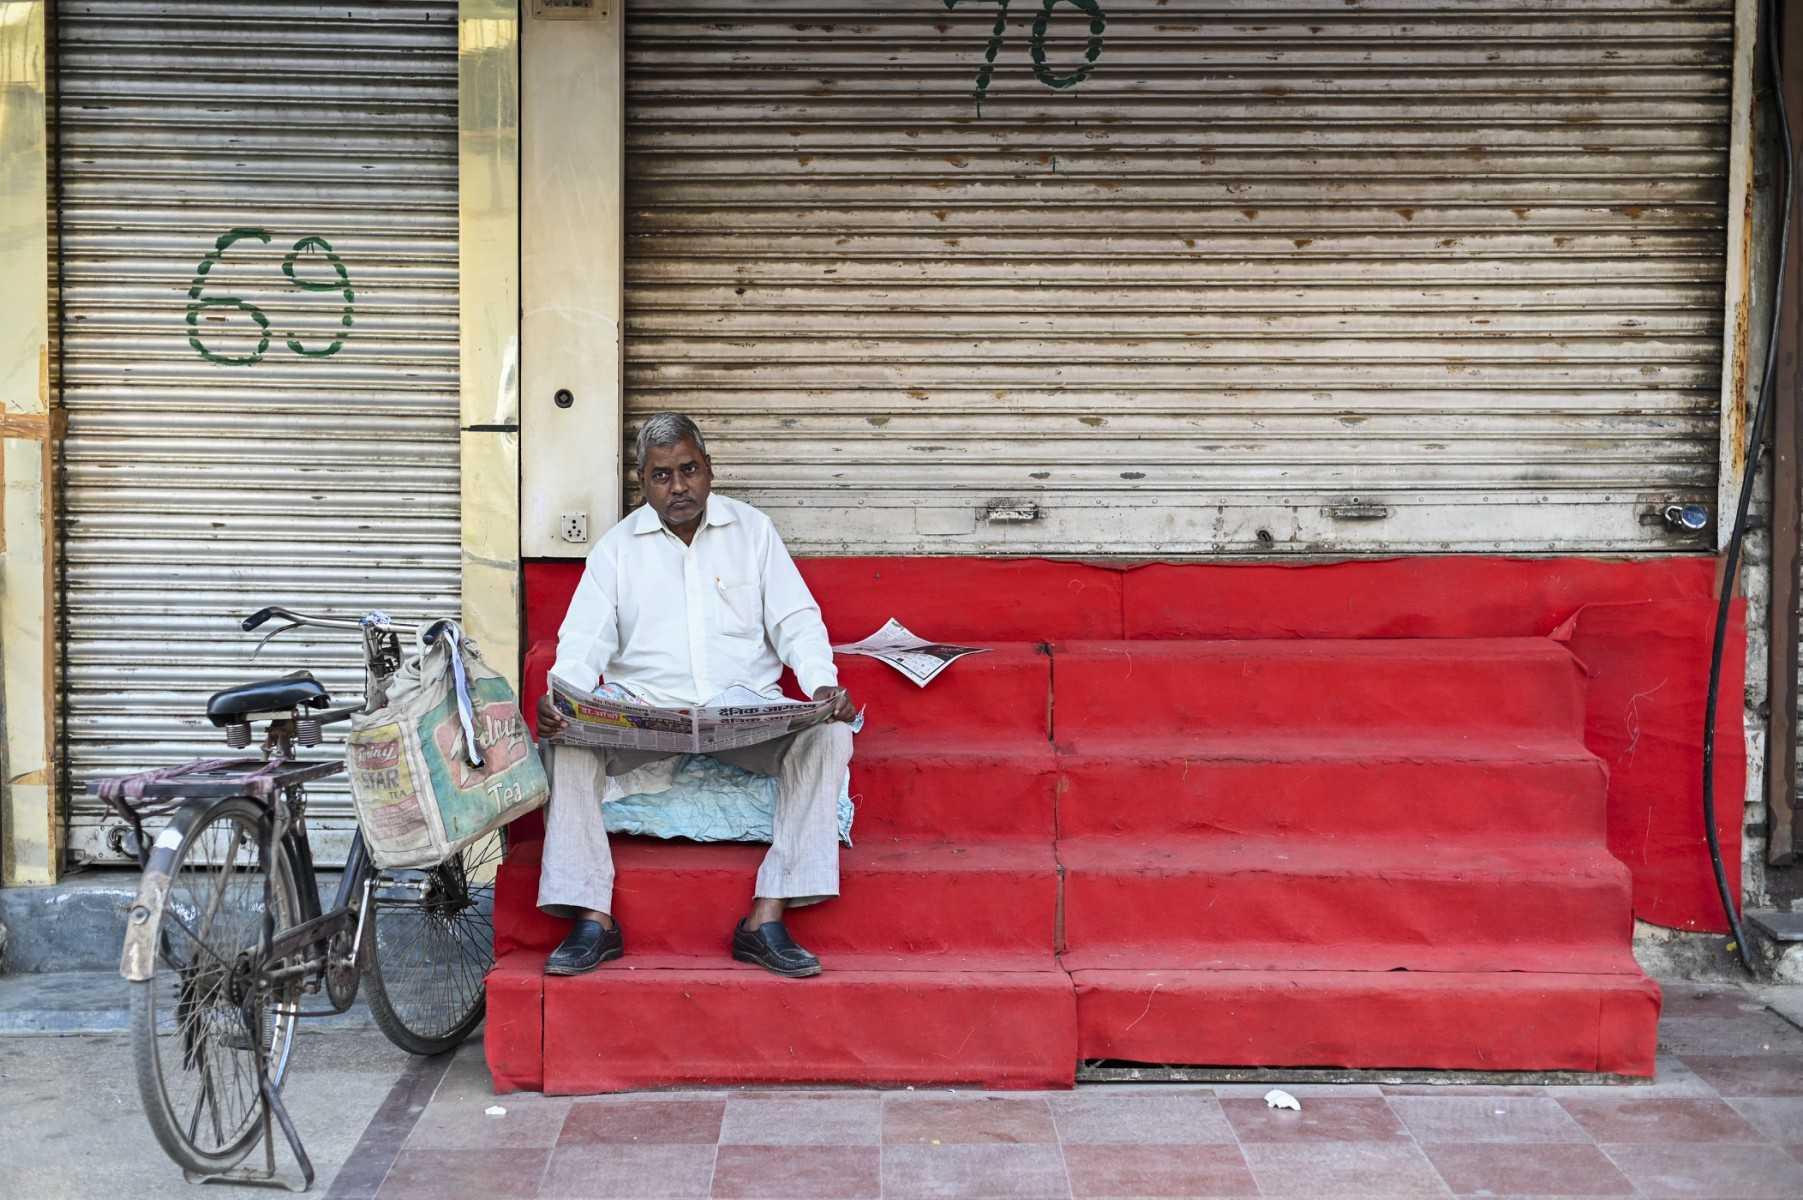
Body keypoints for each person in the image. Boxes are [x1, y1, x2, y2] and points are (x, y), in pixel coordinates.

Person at [534, 412, 857, 979]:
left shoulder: (753, 532)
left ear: (710, 470)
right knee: (569, 744)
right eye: (662, 476)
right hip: (645, 712)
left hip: (742, 712)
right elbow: (584, 639)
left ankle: (768, 914)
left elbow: (796, 621)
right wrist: (567, 699)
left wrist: (820, 681)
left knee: (829, 735)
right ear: (643, 482)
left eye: (689, 470)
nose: (678, 487)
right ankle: (592, 917)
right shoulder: (616, 550)